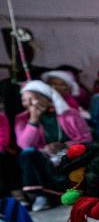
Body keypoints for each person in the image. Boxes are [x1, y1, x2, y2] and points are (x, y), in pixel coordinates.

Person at [16, 80, 92, 211]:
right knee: (27, 153)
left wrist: (64, 145)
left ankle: (79, 189)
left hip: (69, 154)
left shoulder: (69, 113)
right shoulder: (22, 119)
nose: (28, 104)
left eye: (32, 99)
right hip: (45, 159)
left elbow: (87, 138)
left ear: (45, 98)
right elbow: (24, 144)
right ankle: (42, 196)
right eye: (24, 100)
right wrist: (33, 119)